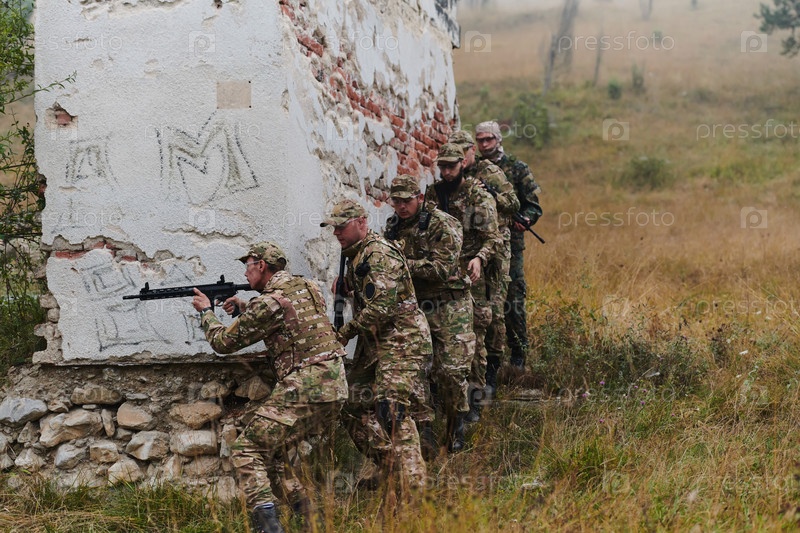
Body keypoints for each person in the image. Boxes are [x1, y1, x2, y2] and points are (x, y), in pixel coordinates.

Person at [191, 241, 348, 533]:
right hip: (335, 387)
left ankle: (267, 526)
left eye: (247, 265)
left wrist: (206, 312)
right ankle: (311, 520)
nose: (245, 272)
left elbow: (223, 343)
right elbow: (290, 315)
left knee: (247, 449)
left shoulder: (267, 303)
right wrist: (245, 307)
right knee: (275, 453)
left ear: (261, 265)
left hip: (306, 386)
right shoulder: (309, 287)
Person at [320, 199, 429, 491]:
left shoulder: (378, 253)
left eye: (341, 227)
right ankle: (391, 467)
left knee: (392, 409)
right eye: (333, 228)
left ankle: (415, 488)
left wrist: (346, 332)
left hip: (401, 339)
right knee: (351, 405)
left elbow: (383, 307)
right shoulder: (356, 254)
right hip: (376, 343)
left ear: (362, 223)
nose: (336, 233)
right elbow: (370, 292)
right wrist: (348, 287)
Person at [384, 174, 476, 452]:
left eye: (407, 201)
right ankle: (425, 431)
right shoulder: (393, 227)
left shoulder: (443, 224)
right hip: (416, 307)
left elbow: (441, 269)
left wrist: (401, 263)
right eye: (396, 201)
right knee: (416, 372)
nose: (401, 207)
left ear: (420, 198)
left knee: (451, 372)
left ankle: (455, 426)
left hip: (450, 306)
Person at [429, 143, 503, 423]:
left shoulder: (477, 195)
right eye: (443, 167)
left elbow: (493, 237)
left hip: (472, 274)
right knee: (443, 339)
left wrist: (480, 258)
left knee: (475, 336)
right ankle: (444, 400)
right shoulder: (434, 194)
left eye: (451, 166)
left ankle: (475, 399)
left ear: (462, 164)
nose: (447, 172)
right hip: (442, 276)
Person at [448, 130, 519, 397]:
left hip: (495, 248)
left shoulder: (488, 171)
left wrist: (491, 193)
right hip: (467, 250)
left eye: (463, 152)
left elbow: (513, 203)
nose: (459, 157)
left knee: (495, 309)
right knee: (473, 310)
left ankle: (493, 370)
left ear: (471, 151)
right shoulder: (451, 176)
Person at [475, 121, 543, 369]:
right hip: (479, 245)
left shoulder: (516, 167)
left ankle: (518, 351)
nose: (484, 145)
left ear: (498, 139)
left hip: (510, 244)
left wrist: (526, 219)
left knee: (512, 297)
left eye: (488, 139)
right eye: (480, 140)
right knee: (482, 298)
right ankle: (486, 353)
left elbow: (533, 205)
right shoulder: (473, 169)